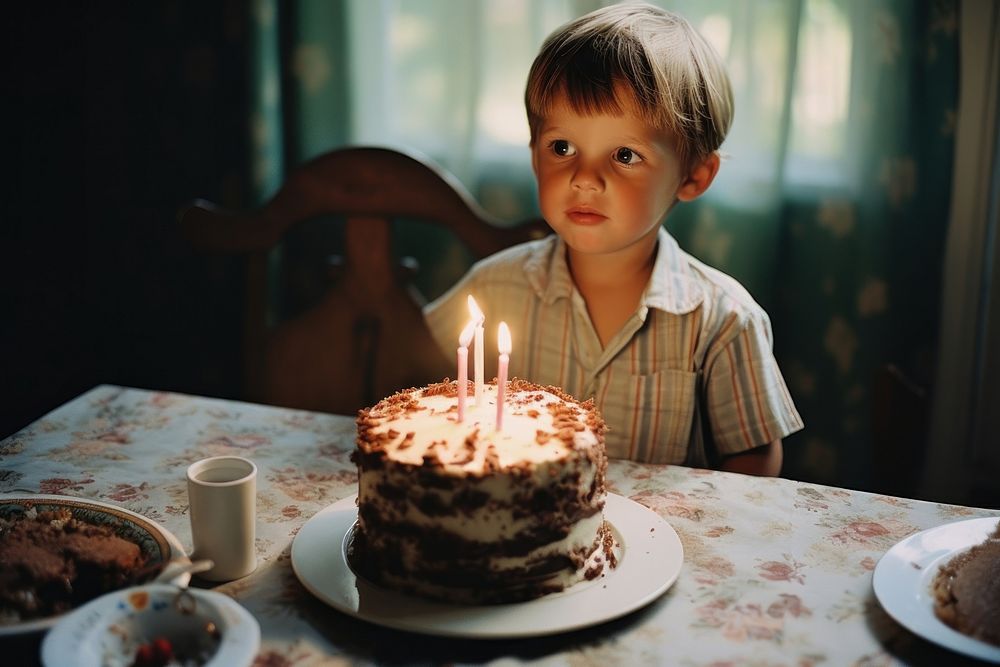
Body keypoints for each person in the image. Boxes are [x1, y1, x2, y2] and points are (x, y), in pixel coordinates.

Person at [424, 2, 802, 475]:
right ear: (533, 153)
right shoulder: (494, 287)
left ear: (694, 176)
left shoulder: (724, 321)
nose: (584, 178)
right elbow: (418, 380)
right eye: (562, 148)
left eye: (625, 154)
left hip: (661, 542)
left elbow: (753, 456)